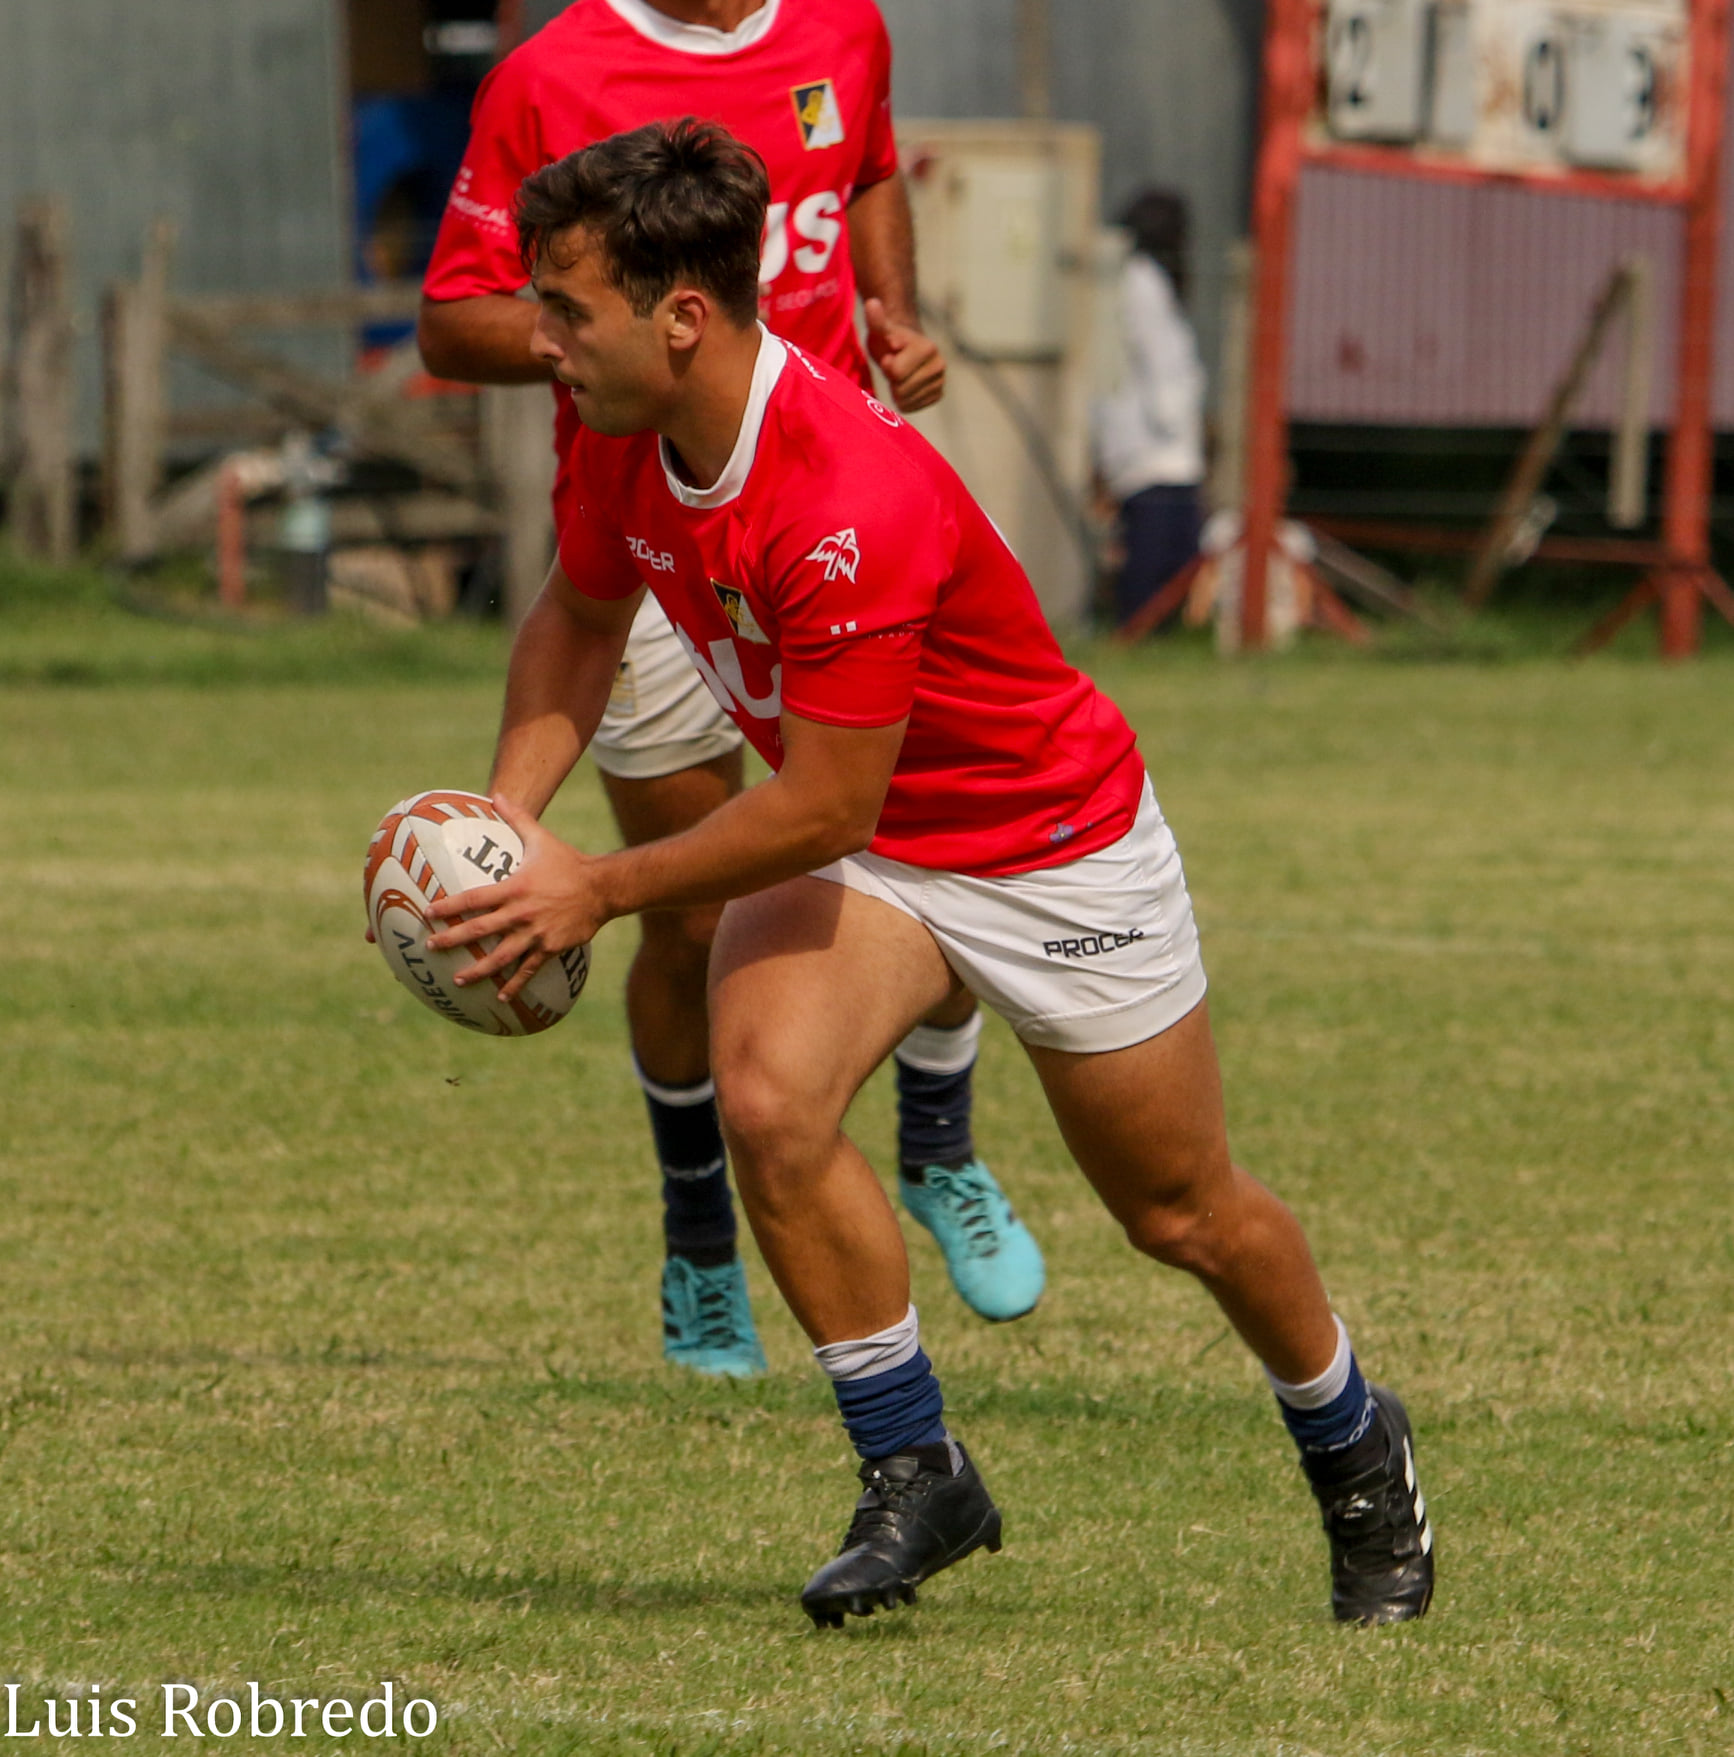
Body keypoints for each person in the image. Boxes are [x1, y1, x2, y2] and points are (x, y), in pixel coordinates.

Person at [425, 119, 1436, 1630]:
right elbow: (578, 618)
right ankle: (916, 1469)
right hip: (877, 849)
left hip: (1046, 844)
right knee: (769, 1098)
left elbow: (822, 802)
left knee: (1179, 1212)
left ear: (681, 317)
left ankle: (1354, 1442)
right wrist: (503, 835)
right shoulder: (620, 439)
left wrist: (598, 886)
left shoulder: (843, 496)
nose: (538, 341)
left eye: (565, 310)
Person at [417, 0, 1044, 1379]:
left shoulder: (844, 29)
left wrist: (892, 312)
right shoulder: (547, 76)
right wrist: (603, 334)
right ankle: (700, 1236)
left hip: (831, 517)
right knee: (691, 911)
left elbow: (866, 168)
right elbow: (450, 326)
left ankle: (940, 1142)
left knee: (931, 840)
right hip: (647, 522)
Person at [1093, 187, 1207, 630]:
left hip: (1155, 447)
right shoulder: (1143, 283)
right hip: (1156, 447)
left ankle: (1148, 632)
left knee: (1167, 552)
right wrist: (1177, 420)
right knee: (1156, 555)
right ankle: (1136, 631)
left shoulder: (1136, 280)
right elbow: (1162, 362)